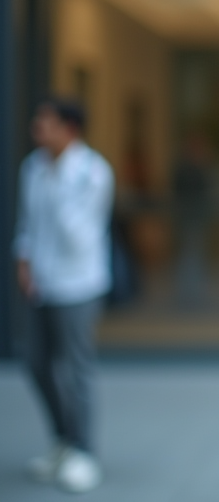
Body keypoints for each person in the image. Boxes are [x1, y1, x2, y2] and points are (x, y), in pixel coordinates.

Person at [13, 98, 114, 493]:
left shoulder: (91, 172)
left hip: (78, 284)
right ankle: (62, 440)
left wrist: (60, 186)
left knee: (77, 369)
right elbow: (28, 222)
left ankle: (84, 451)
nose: (37, 130)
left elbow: (79, 235)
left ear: (69, 130)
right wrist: (22, 259)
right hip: (40, 284)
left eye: (46, 123)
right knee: (35, 361)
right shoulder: (33, 167)